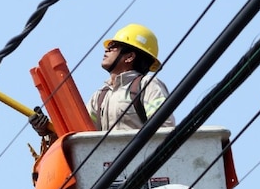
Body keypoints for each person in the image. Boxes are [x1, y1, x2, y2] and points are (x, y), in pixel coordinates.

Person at [30, 23, 175, 136]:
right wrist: (47, 129)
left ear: (129, 57)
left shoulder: (148, 86)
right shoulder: (100, 96)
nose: (106, 49)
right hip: (109, 169)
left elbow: (164, 130)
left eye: (113, 47)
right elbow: (81, 136)